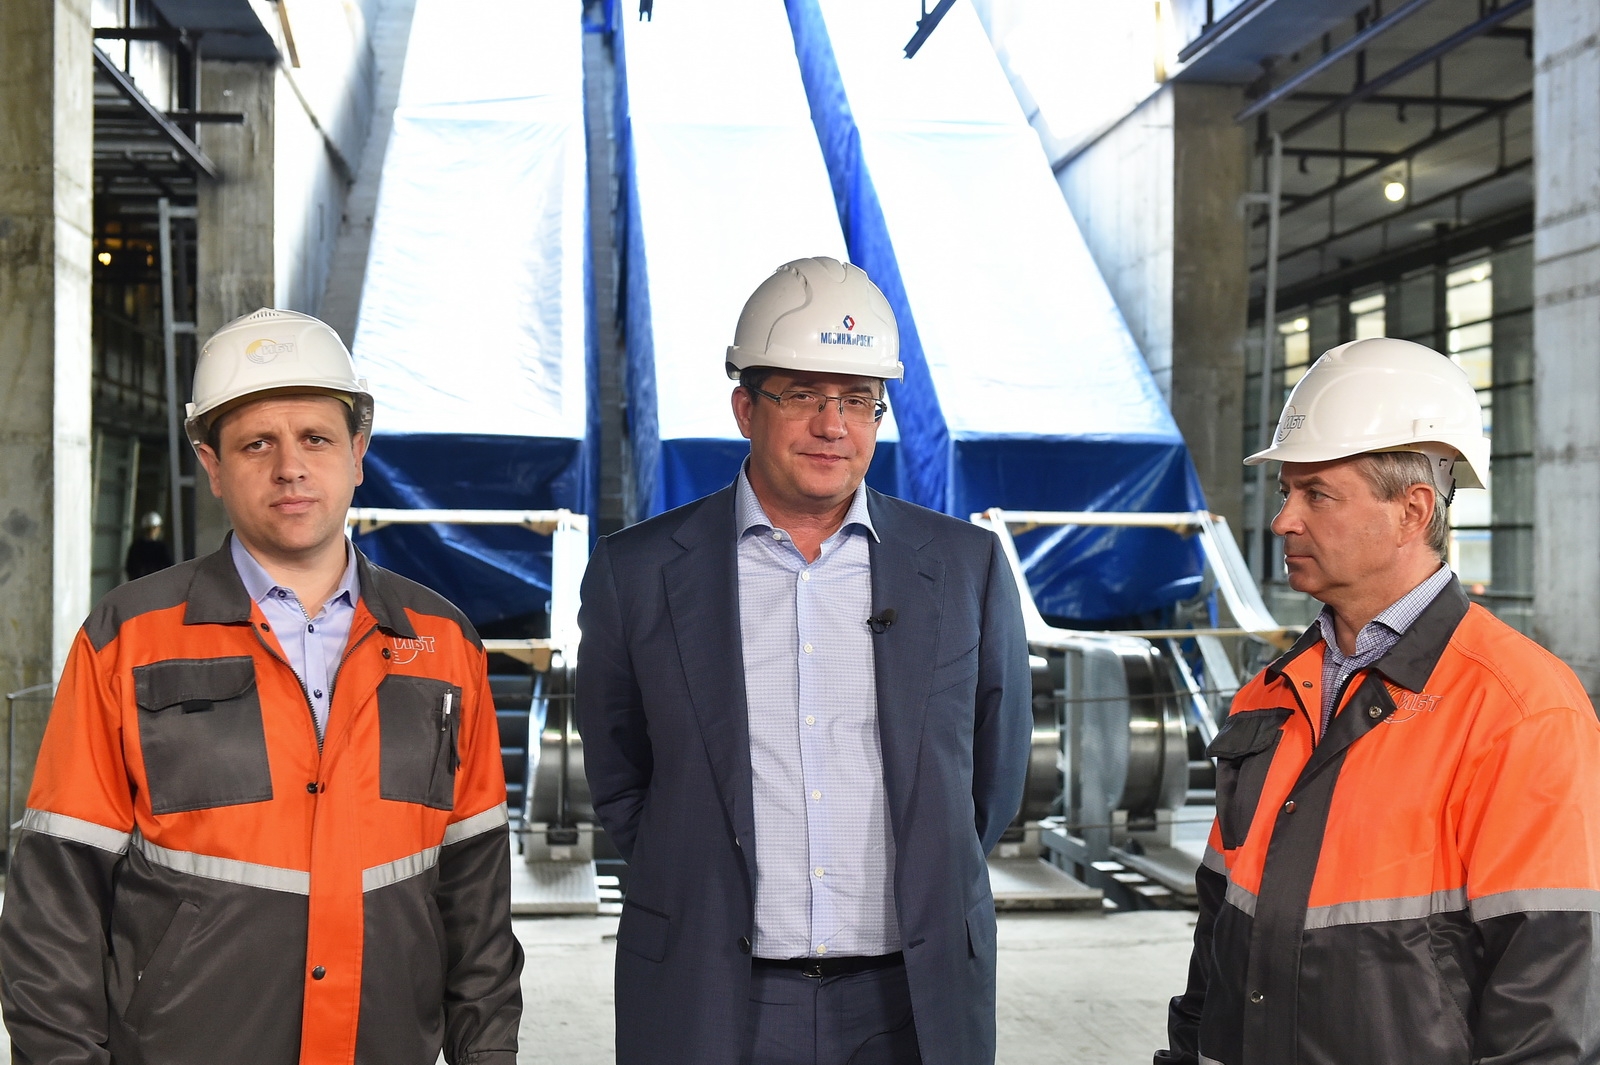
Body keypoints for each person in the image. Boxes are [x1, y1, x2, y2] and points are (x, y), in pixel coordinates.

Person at [0, 308, 523, 1065]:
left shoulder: (442, 644)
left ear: (358, 453)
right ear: (211, 465)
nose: (290, 467)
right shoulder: (127, 639)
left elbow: (477, 901)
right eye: (256, 444)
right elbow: (57, 896)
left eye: (316, 438)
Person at [577, 257, 1032, 1065]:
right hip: (714, 991)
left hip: (910, 997)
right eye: (803, 396)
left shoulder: (966, 568)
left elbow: (992, 779)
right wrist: (696, 873)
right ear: (745, 407)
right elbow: (620, 774)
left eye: (858, 399)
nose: (833, 425)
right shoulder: (638, 572)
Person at [1156, 337, 1600, 1065]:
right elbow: (1218, 937)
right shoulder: (1268, 698)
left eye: (1317, 494)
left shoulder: (1521, 709)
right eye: (1286, 492)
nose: (1284, 520)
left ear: (1411, 510)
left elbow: (1549, 1000)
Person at [124, 510, 175, 581]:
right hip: (141, 582)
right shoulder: (137, 546)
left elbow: (169, 566)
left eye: (154, 528)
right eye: (149, 529)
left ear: (158, 529)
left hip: (157, 582)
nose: (151, 531)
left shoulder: (162, 547)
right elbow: (130, 567)